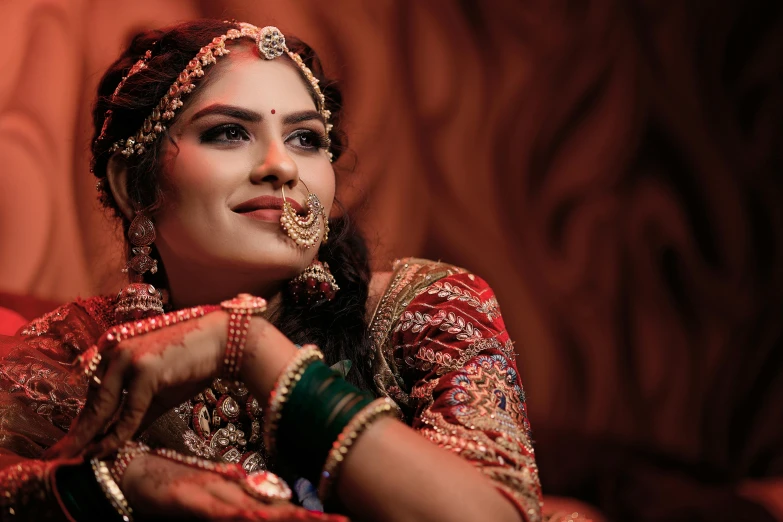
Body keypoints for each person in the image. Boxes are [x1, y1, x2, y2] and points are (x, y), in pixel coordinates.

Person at [0, 19, 546, 522]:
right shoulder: (78, 355)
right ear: (133, 185)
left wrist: (247, 347)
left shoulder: (425, 309)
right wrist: (118, 478)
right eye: (228, 132)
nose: (282, 166)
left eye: (306, 139)